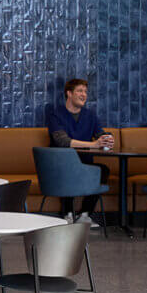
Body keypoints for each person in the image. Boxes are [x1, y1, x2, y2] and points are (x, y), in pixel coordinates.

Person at [46, 78, 114, 225]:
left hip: (84, 163)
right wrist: (94, 145)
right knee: (68, 168)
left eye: (85, 92)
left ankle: (85, 215)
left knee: (103, 171)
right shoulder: (55, 115)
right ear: (69, 93)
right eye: (80, 91)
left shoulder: (90, 115)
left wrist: (106, 139)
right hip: (62, 163)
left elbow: (99, 134)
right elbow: (63, 141)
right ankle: (67, 214)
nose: (84, 94)